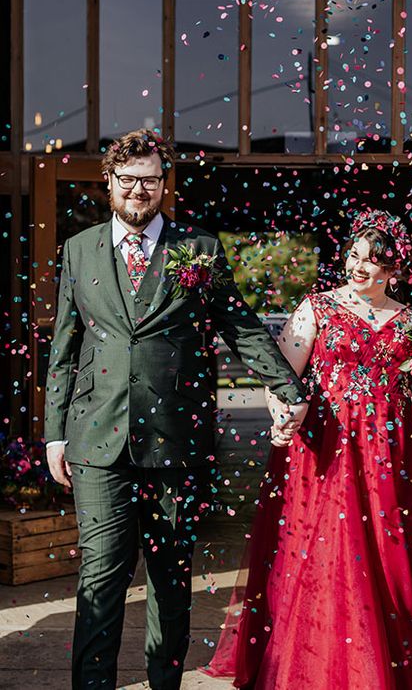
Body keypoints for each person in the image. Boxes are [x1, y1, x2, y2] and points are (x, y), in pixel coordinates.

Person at [44, 129, 308, 690]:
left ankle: (165, 684)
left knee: (170, 577)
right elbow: (65, 348)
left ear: (164, 185)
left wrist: (288, 389)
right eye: (129, 180)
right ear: (109, 182)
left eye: (150, 180)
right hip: (97, 439)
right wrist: (53, 435)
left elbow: (238, 325)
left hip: (176, 440)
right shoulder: (79, 248)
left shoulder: (200, 248)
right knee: (101, 577)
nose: (139, 190)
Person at [204, 211, 412, 689]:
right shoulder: (317, 308)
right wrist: (280, 415)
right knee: (329, 551)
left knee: (394, 551)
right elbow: (280, 376)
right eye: (354, 256)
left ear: (393, 269)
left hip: (394, 449)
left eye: (373, 261)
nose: (359, 267)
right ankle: (322, 662)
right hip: (328, 447)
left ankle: (393, 659)